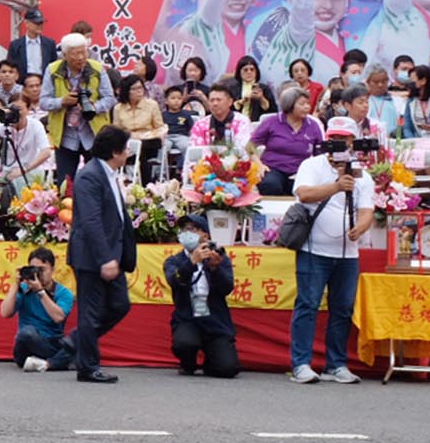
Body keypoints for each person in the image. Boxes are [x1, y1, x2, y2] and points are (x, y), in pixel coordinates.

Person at [288, 116, 376, 384]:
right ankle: (301, 363)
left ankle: (335, 364)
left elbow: (367, 210)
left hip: (348, 253)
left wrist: (361, 227)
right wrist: (336, 186)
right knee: (308, 304)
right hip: (314, 250)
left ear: (353, 142)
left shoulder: (362, 174)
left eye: (344, 139)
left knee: (343, 308)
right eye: (333, 139)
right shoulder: (312, 165)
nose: (338, 144)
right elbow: (303, 194)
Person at [67, 125, 137, 384]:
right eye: (125, 148)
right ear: (115, 152)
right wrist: (105, 258)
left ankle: (77, 340)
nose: (128, 153)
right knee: (90, 312)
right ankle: (87, 367)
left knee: (120, 305)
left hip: (112, 254)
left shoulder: (109, 174)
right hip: (92, 256)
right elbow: (91, 221)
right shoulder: (89, 176)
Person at [163, 215, 239, 378]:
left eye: (192, 229)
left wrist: (214, 269)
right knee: (184, 343)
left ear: (205, 235)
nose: (187, 233)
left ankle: (211, 361)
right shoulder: (174, 261)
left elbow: (227, 288)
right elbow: (175, 281)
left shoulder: (219, 258)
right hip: (188, 318)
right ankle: (188, 363)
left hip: (215, 320)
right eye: (183, 229)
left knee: (227, 369)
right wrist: (191, 262)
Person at [43, 33, 115, 186]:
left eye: (84, 52)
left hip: (94, 135)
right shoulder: (53, 70)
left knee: (97, 182)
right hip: (65, 136)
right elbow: (43, 101)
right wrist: (62, 101)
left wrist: (94, 107)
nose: (81, 57)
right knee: (65, 184)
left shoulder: (97, 69)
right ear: (64, 55)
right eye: (76, 54)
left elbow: (109, 98)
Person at [2, 247, 74, 372]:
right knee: (26, 333)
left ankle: (46, 364)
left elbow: (58, 317)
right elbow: (5, 313)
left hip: (51, 343)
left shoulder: (64, 293)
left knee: (80, 341)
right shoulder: (24, 289)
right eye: (34, 269)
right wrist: (16, 284)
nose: (38, 274)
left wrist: (40, 292)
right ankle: (56, 362)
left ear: (52, 269)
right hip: (26, 345)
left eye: (42, 270)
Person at [254, 86, 324, 196]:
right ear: (289, 105)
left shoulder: (313, 125)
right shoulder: (272, 122)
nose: (307, 107)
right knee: (270, 185)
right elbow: (250, 147)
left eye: (308, 104)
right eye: (302, 104)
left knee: (305, 189)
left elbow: (319, 154)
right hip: (273, 168)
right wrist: (259, 165)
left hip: (300, 170)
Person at [0, 99, 52, 187]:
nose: (16, 113)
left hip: (29, 170)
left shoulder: (35, 125)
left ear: (28, 110)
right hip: (7, 172)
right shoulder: (4, 125)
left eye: (19, 109)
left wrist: (24, 170)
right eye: (12, 109)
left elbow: (46, 152)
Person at [111, 74, 168, 183]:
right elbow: (116, 130)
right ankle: (119, 180)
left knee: (141, 148)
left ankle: (146, 183)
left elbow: (160, 127)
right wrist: (129, 136)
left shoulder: (152, 105)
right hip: (128, 140)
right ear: (126, 91)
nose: (139, 91)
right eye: (134, 89)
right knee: (115, 147)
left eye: (140, 88)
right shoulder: (118, 108)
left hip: (149, 140)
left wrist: (149, 135)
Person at [186, 79, 255, 151]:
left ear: (230, 102)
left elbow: (243, 149)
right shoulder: (200, 125)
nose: (215, 104)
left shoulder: (242, 121)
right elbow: (195, 150)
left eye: (219, 100)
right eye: (212, 100)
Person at [6, 8, 57, 80]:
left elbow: (54, 66)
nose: (40, 26)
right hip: (23, 82)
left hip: (44, 82)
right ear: (27, 23)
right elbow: (10, 67)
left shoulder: (50, 44)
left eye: (41, 23)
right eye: (36, 23)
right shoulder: (15, 45)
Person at [163, 85, 196, 173]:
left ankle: (183, 168)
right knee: (164, 147)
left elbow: (192, 129)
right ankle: (162, 171)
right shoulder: (163, 115)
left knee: (187, 145)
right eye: (173, 98)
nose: (176, 101)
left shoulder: (186, 115)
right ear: (166, 101)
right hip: (167, 136)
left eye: (179, 98)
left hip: (181, 136)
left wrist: (191, 136)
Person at [234, 56, 277, 123]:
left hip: (258, 124)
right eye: (245, 70)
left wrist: (261, 98)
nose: (249, 72)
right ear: (239, 72)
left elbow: (273, 111)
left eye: (252, 69)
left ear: (256, 72)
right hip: (237, 124)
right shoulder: (232, 88)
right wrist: (242, 101)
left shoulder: (264, 88)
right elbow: (228, 109)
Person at [363, 65, 403, 136]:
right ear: (367, 82)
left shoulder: (398, 101)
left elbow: (402, 122)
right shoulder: (364, 101)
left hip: (394, 138)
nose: (380, 85)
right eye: (376, 82)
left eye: (384, 81)